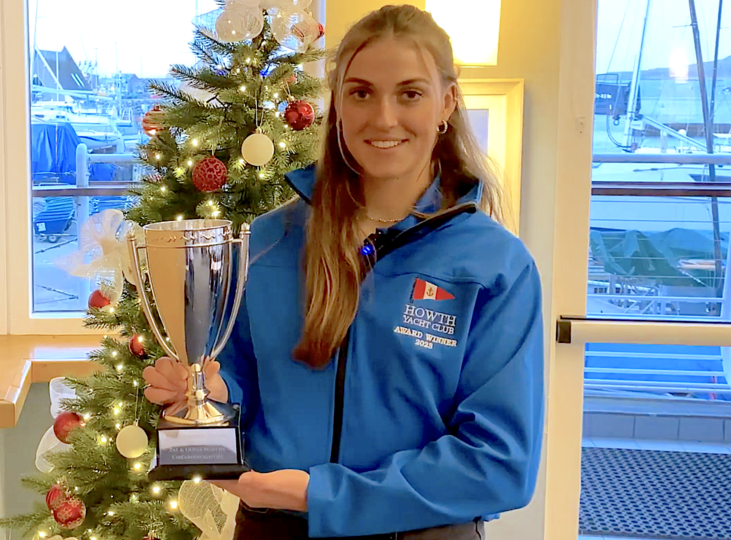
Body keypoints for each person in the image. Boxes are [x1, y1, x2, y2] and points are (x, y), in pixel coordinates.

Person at [144, 5, 544, 539]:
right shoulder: (266, 243)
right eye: (361, 93)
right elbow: (236, 384)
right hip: (272, 528)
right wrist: (205, 392)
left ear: (446, 102)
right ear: (337, 103)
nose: (384, 118)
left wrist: (322, 496)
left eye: (410, 93)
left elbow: (500, 463)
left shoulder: (494, 266)